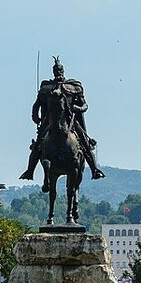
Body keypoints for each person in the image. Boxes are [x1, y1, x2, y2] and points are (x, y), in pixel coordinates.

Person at [19, 56, 105, 187]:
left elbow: (85, 105)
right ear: (53, 71)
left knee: (84, 142)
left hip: (70, 120)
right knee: (38, 144)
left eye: (60, 69)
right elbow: (37, 105)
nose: (58, 71)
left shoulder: (74, 86)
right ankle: (30, 171)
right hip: (49, 121)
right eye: (56, 69)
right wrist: (35, 116)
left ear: (63, 70)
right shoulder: (46, 87)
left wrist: (76, 108)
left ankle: (95, 169)